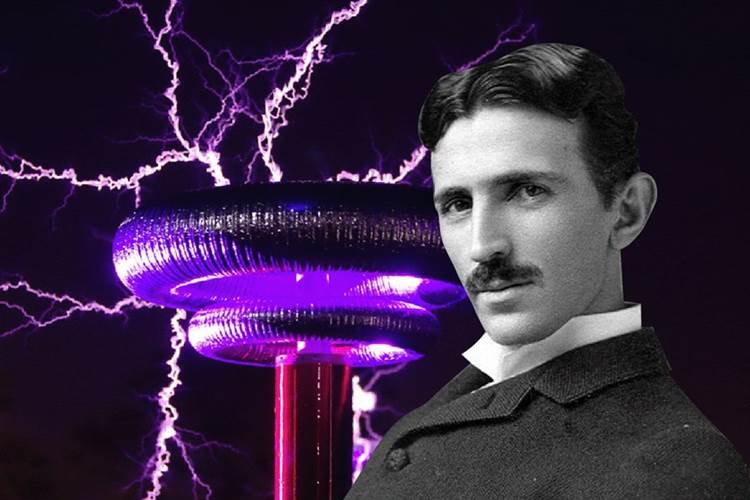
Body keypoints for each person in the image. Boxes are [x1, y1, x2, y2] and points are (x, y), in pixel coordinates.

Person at [345, 43, 750, 499]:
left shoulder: (673, 466)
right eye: (458, 204)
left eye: (527, 191)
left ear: (626, 213)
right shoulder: (455, 403)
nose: (482, 246)